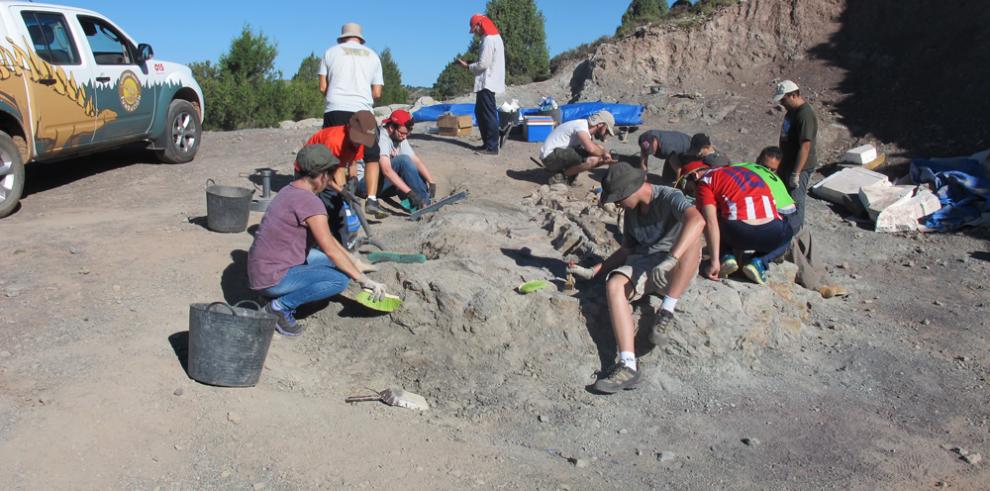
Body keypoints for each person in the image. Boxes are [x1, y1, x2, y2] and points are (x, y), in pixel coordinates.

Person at [567, 162, 704, 394]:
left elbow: (698, 220)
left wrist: (671, 258)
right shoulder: (631, 213)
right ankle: (628, 365)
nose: (618, 205)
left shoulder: (669, 196)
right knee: (614, 284)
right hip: (646, 265)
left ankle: (667, 311)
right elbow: (626, 251)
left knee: (693, 241)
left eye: (618, 199)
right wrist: (595, 271)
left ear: (631, 190)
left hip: (677, 266)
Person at [249, 145, 390, 336]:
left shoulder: (289, 190)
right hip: (271, 278)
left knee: (332, 261)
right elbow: (330, 249)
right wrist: (363, 280)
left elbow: (329, 241)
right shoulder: (311, 202)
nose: (332, 179)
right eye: (330, 174)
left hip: (263, 269)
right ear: (322, 175)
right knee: (338, 280)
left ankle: (273, 295)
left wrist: (354, 263)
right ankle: (278, 307)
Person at [679, 161, 793, 285]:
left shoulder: (705, 181)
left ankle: (725, 257)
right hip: (771, 231)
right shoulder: (745, 171)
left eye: (689, 189)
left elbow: (711, 222)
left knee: (713, 217)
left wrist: (714, 261)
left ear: (695, 175)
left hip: (738, 231)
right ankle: (759, 262)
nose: (692, 193)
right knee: (788, 233)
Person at [319, 23, 387, 218]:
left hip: (335, 108)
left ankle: (343, 203)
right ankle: (372, 199)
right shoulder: (372, 55)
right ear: (360, 38)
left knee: (337, 157)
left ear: (342, 38)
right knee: (372, 156)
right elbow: (377, 92)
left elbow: (323, 87)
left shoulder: (330, 53)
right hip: (362, 109)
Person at [357, 110, 434, 212]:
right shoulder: (382, 138)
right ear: (391, 127)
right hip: (365, 185)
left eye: (407, 133)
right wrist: (410, 193)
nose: (404, 137)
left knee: (411, 170)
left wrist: (431, 181)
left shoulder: (399, 136)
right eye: (402, 133)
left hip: (379, 183)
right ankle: (424, 202)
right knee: (403, 161)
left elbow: (415, 160)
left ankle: (418, 204)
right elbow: (387, 170)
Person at [773, 79, 818, 232]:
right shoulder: (791, 113)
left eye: (783, 99)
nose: (782, 103)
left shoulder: (805, 115)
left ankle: (796, 235)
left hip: (799, 167)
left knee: (795, 200)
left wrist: (796, 173)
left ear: (793, 95)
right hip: (786, 163)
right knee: (783, 199)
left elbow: (805, 146)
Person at [457, 14, 505, 156]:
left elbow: (484, 64)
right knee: (480, 112)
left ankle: (492, 147)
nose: (475, 32)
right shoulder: (492, 38)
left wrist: (467, 66)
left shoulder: (489, 40)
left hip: (487, 82)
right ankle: (488, 144)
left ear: (479, 24)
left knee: (488, 114)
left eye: (475, 28)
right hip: (488, 81)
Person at [539, 111, 617, 185]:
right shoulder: (581, 127)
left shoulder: (584, 128)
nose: (606, 134)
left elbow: (595, 148)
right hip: (549, 157)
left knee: (597, 151)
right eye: (606, 131)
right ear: (600, 124)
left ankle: (567, 176)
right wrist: (604, 153)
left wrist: (604, 160)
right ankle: (559, 178)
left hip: (555, 154)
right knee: (593, 157)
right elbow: (591, 149)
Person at [732, 146, 798, 228]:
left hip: (785, 216)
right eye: (765, 167)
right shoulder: (743, 168)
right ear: (757, 160)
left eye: (773, 170)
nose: (767, 171)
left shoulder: (775, 182)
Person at [667, 133, 731, 177]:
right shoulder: (715, 154)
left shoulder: (714, 160)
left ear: (706, 147)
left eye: (699, 151)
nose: (697, 154)